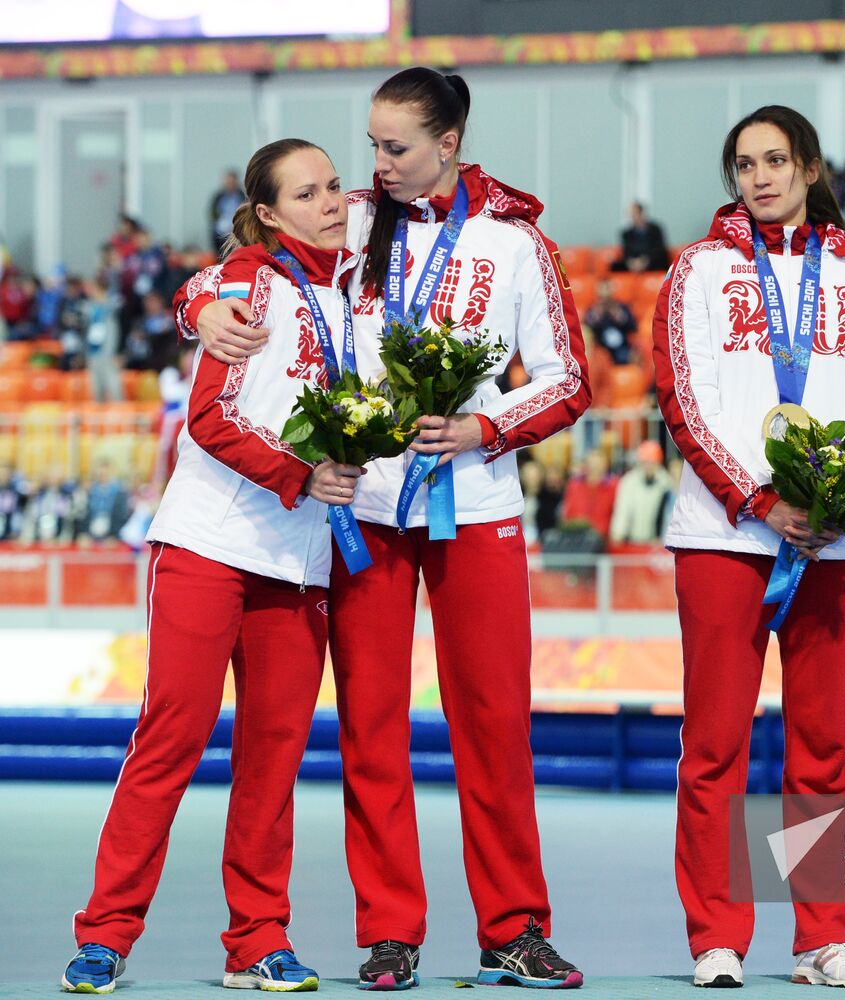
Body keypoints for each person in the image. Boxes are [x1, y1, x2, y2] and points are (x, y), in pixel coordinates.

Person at [184, 66, 589, 991]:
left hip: (477, 506)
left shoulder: (516, 242)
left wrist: (485, 427)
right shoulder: (351, 222)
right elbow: (237, 269)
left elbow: (569, 381)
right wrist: (199, 308)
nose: (376, 164)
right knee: (371, 729)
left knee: (494, 726)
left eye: (394, 147)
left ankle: (514, 928)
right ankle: (390, 932)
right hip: (365, 514)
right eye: (369, 145)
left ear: (448, 143)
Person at [61, 137, 364, 995]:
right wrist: (302, 473)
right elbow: (209, 420)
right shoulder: (246, 283)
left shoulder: (362, 287)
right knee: (170, 741)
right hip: (205, 547)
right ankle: (105, 936)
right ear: (268, 215)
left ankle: (258, 943)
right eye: (307, 194)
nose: (332, 203)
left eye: (337, 186)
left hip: (299, 564)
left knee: (272, 764)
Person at [652, 104, 845, 989]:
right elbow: (683, 400)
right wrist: (760, 500)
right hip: (724, 535)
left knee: (822, 746)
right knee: (714, 743)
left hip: (835, 540)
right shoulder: (697, 270)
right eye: (743, 164)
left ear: (808, 167)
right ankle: (715, 938)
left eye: (774, 161)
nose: (758, 178)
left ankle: (822, 938)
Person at [608, 439, 671, 544]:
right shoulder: (628, 481)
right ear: (640, 462)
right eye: (645, 462)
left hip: (657, 542)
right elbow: (622, 510)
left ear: (658, 463)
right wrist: (617, 533)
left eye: (652, 463)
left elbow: (668, 514)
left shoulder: (666, 482)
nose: (649, 467)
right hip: (632, 540)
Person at [583, 279, 638, 365]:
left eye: (607, 297)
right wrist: (595, 317)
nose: (605, 300)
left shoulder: (622, 307)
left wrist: (620, 317)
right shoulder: (593, 310)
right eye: (602, 297)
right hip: (600, 351)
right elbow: (586, 331)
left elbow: (634, 327)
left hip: (622, 349)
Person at [612, 201, 670, 273]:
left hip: (651, 260)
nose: (633, 217)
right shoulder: (626, 233)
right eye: (631, 215)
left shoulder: (655, 229)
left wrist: (644, 260)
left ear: (642, 213)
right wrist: (633, 262)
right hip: (634, 262)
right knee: (614, 266)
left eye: (635, 214)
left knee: (660, 261)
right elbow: (627, 251)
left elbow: (659, 249)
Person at [210, 169, 247, 250]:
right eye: (227, 182)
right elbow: (212, 213)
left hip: (237, 231)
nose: (230, 185)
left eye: (232, 182)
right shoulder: (218, 196)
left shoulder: (242, 196)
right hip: (220, 232)